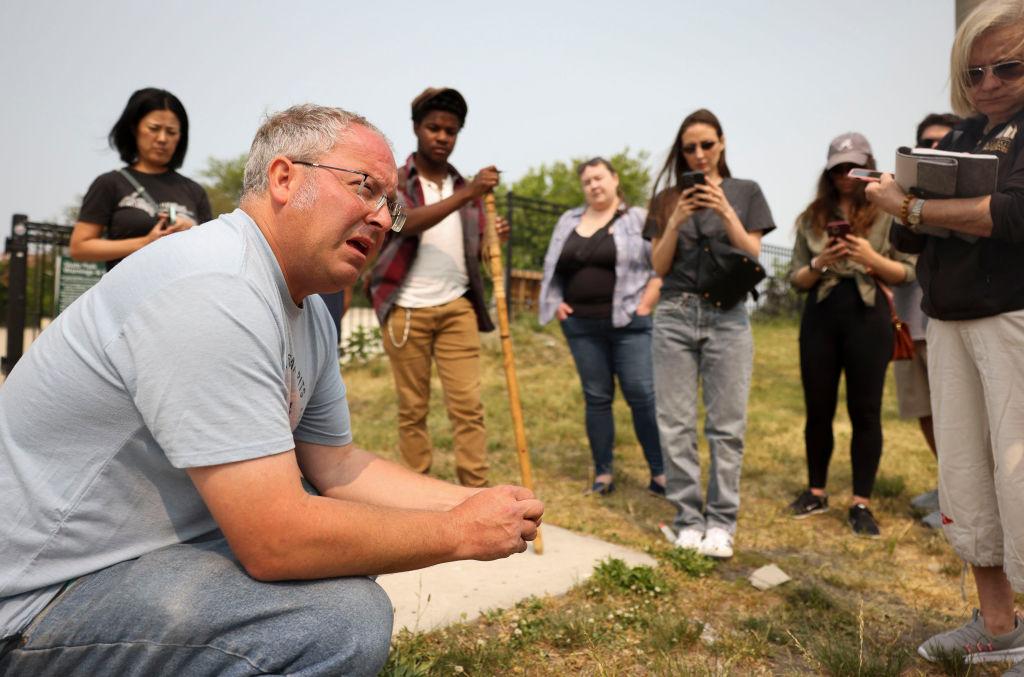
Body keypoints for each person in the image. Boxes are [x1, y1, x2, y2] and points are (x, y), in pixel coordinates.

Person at [0, 104, 543, 676]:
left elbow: (338, 466)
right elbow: (277, 540)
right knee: (336, 618)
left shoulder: (307, 312)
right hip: (35, 600)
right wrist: (459, 532)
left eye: (391, 205)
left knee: (347, 541)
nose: (382, 219)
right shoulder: (214, 287)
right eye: (365, 188)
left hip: (128, 561)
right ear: (284, 178)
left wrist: (477, 504)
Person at [866, 0, 1024, 665]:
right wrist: (904, 202)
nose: (987, 83)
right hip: (951, 318)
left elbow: (1011, 216)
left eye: (1007, 67)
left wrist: (916, 205)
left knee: (1020, 473)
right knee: (964, 475)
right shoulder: (959, 135)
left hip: (1014, 317)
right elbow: (909, 230)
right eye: (975, 69)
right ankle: (997, 621)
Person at [644, 109, 776, 559]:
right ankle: (688, 519)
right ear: (681, 153)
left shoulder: (746, 191)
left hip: (729, 316)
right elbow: (658, 267)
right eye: (689, 148)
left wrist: (724, 210)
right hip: (676, 314)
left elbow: (753, 251)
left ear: (722, 143)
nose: (698, 155)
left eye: (706, 144)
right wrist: (677, 219)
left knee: (726, 426)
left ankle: (721, 522)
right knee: (676, 424)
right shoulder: (665, 199)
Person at [368, 87, 503, 488]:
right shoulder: (394, 180)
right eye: (434, 128)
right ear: (416, 129)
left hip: (457, 306)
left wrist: (491, 236)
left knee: (468, 407)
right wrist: (469, 195)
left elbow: (470, 247)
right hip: (406, 308)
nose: (442, 137)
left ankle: (476, 493)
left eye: (451, 130)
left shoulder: (463, 185)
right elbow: (402, 223)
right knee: (413, 408)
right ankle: (419, 493)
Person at [787, 132, 914, 538]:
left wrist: (868, 257)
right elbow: (797, 279)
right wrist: (823, 260)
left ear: (868, 167)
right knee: (818, 407)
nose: (845, 175)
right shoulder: (812, 217)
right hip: (820, 315)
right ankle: (815, 490)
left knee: (866, 410)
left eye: (852, 167)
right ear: (828, 172)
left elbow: (906, 271)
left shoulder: (886, 211)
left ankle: (862, 502)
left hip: (868, 315)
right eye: (838, 168)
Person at [538, 157, 664, 497]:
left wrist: (645, 305)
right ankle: (604, 472)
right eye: (587, 181)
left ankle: (661, 472)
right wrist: (556, 303)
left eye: (599, 178)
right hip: (580, 325)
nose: (594, 185)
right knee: (597, 397)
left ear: (614, 179)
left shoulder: (637, 218)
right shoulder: (569, 220)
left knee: (641, 395)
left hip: (629, 323)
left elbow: (661, 265)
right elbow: (553, 267)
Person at [897, 113, 962, 529]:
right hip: (908, 322)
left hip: (947, 321)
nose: (933, 148)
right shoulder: (905, 192)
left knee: (955, 415)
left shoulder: (966, 196)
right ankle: (946, 489)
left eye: (943, 141)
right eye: (926, 142)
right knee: (925, 410)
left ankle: (961, 502)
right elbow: (900, 245)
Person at [69, 87, 212, 270]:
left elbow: (209, 251)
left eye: (171, 132)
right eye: (154, 128)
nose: (162, 138)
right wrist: (146, 242)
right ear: (134, 129)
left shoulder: (194, 191)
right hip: (126, 295)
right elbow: (80, 247)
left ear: (180, 137)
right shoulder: (110, 183)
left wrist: (191, 230)